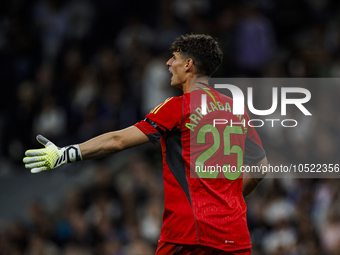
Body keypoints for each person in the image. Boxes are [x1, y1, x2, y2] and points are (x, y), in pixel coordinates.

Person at [23, 34, 267, 255]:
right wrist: (227, 198)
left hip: (189, 233)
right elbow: (260, 167)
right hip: (234, 235)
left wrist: (66, 154)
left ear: (189, 65)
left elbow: (117, 141)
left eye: (174, 58)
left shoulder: (177, 107)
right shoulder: (236, 109)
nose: (168, 64)